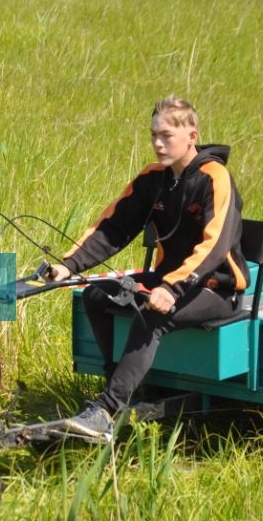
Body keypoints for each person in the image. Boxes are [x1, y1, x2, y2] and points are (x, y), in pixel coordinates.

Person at [45, 96, 249, 438]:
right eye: (154, 134)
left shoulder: (215, 177)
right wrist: (68, 265)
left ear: (192, 135)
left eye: (166, 135)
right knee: (95, 296)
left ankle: (106, 412)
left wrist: (172, 288)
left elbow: (215, 245)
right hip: (167, 281)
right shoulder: (153, 179)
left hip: (214, 287)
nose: (157, 143)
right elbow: (113, 228)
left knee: (150, 314)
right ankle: (116, 388)